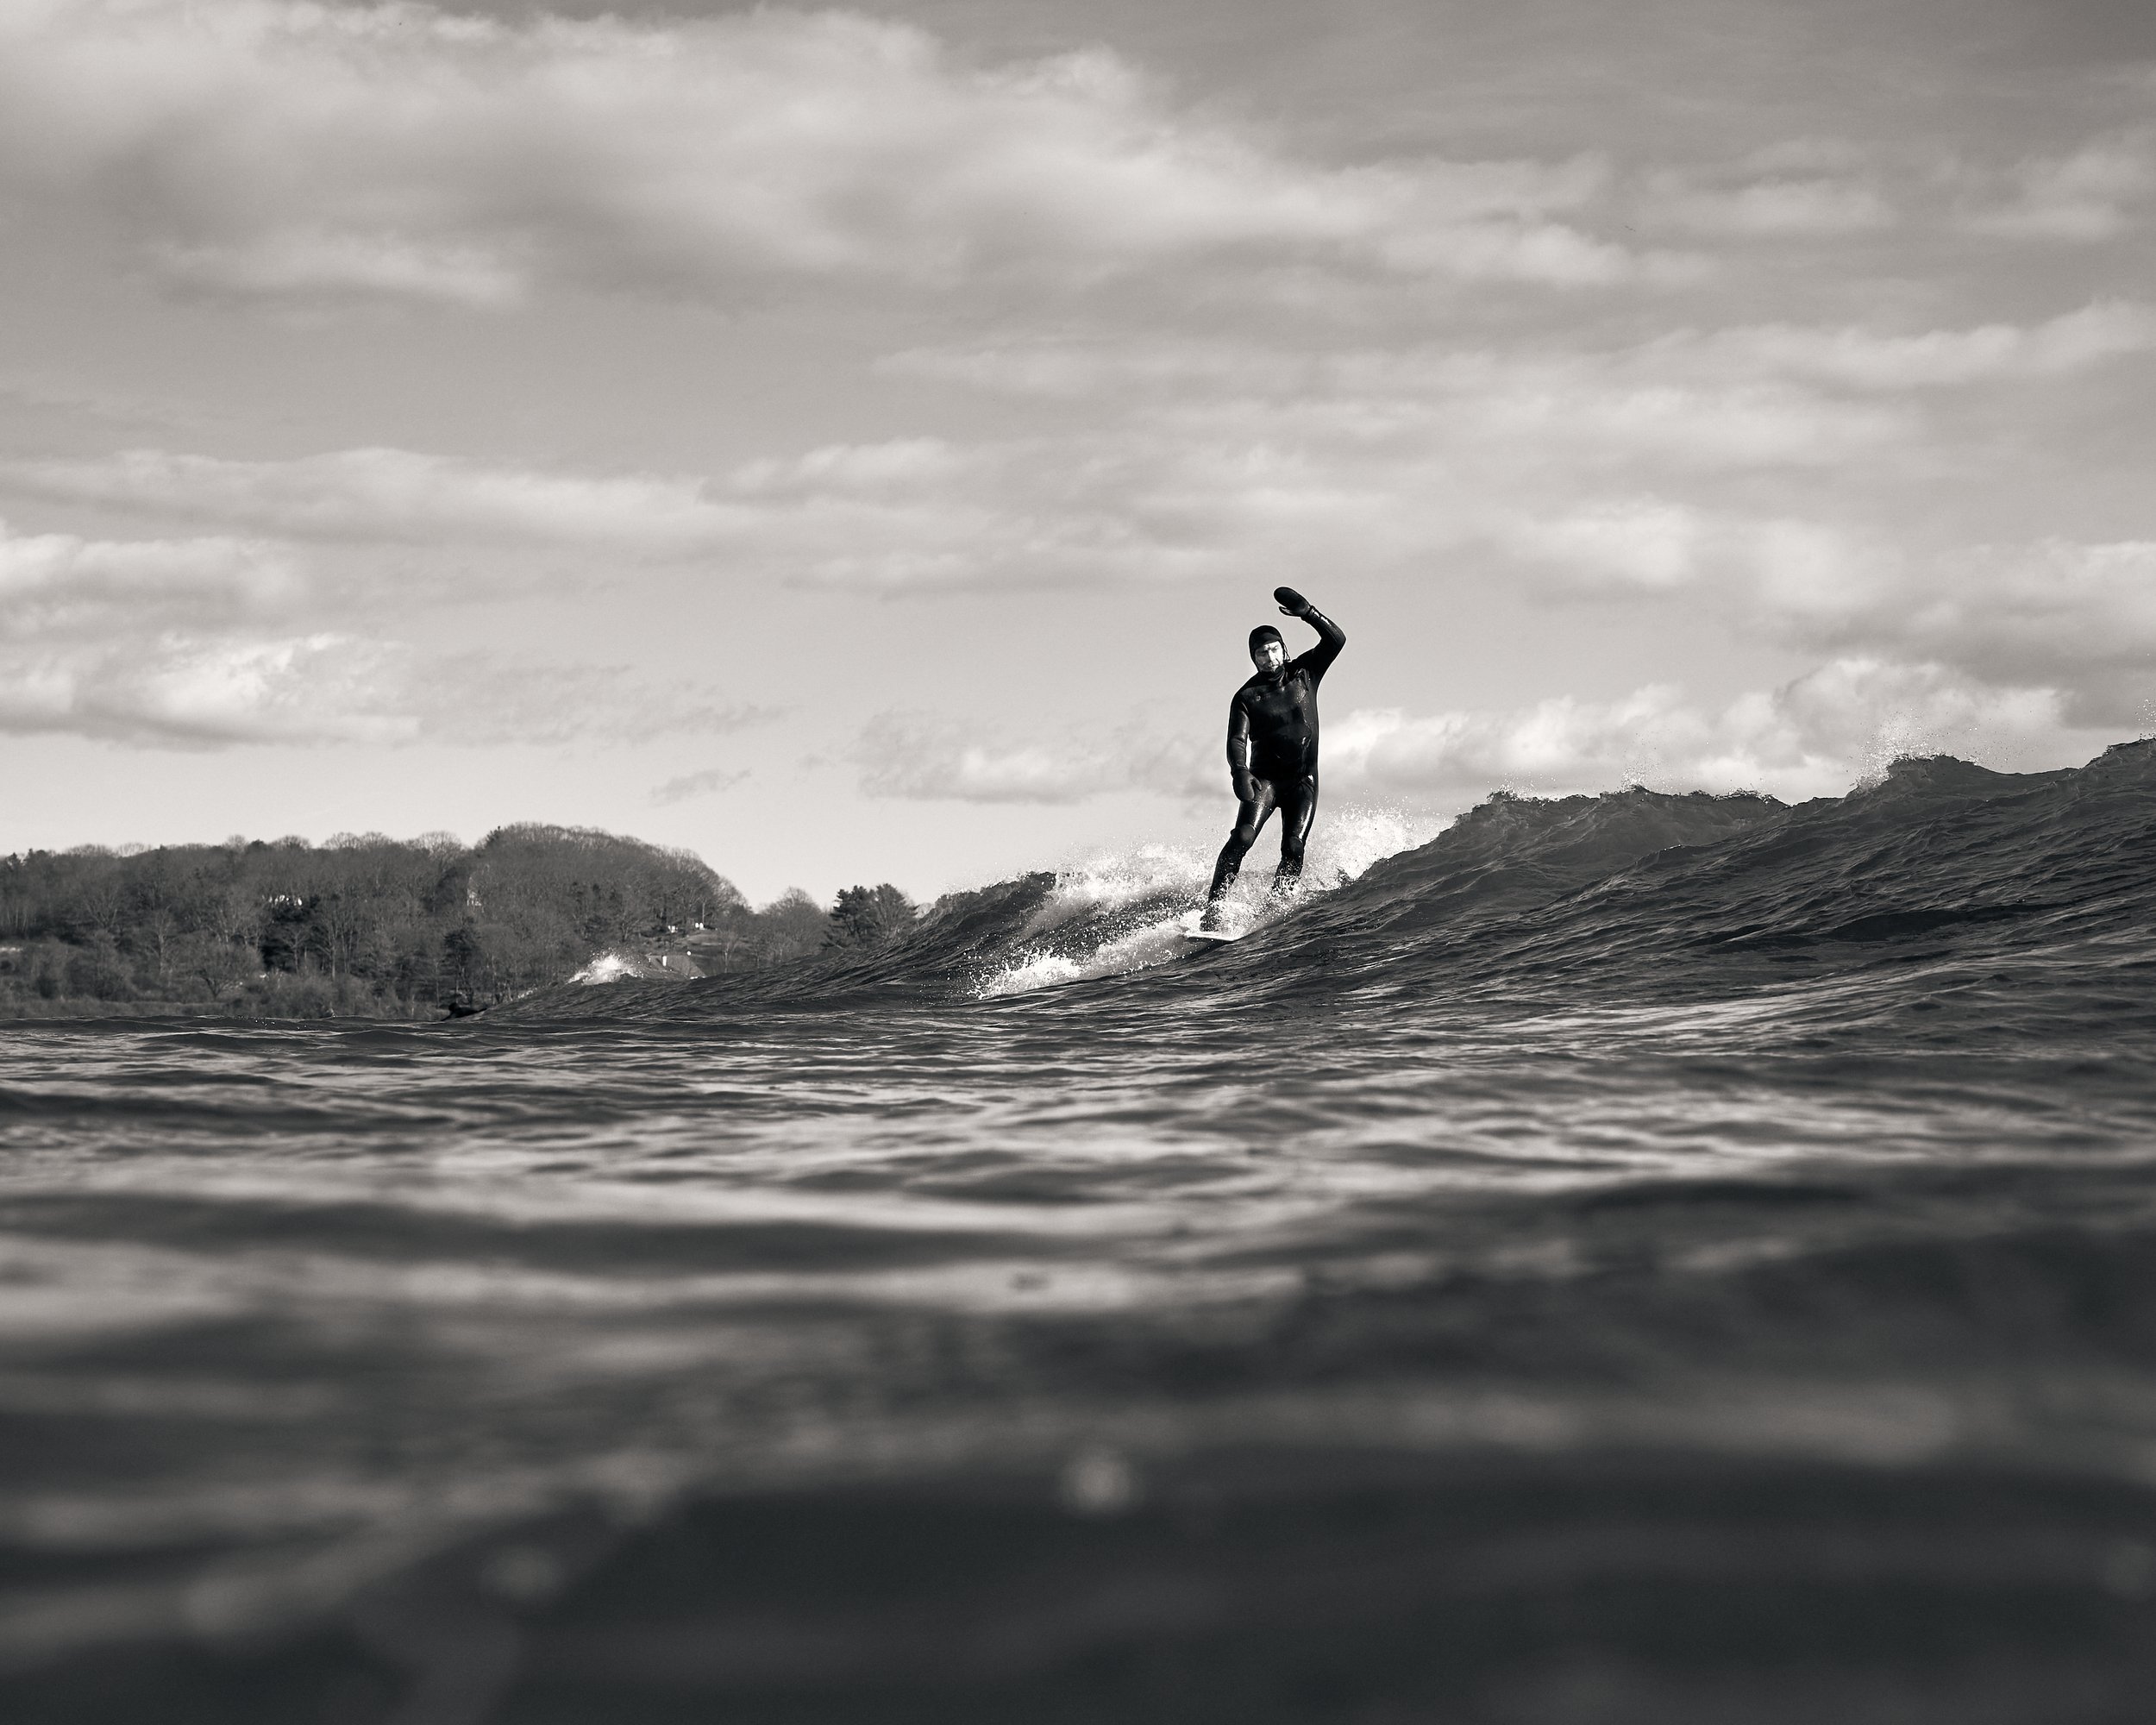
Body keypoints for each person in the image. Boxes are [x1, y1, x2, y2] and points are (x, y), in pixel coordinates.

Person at [1203, 586, 1346, 928]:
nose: (1268, 658)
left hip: (1302, 782)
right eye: (1260, 654)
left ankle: (1278, 906)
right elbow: (1236, 738)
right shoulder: (1247, 697)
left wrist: (1309, 613)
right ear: (1253, 659)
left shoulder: (1306, 673)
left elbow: (1337, 641)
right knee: (1242, 837)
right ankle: (1213, 909)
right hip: (1264, 780)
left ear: (1284, 649)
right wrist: (1239, 770)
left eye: (1273, 650)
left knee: (1294, 846)